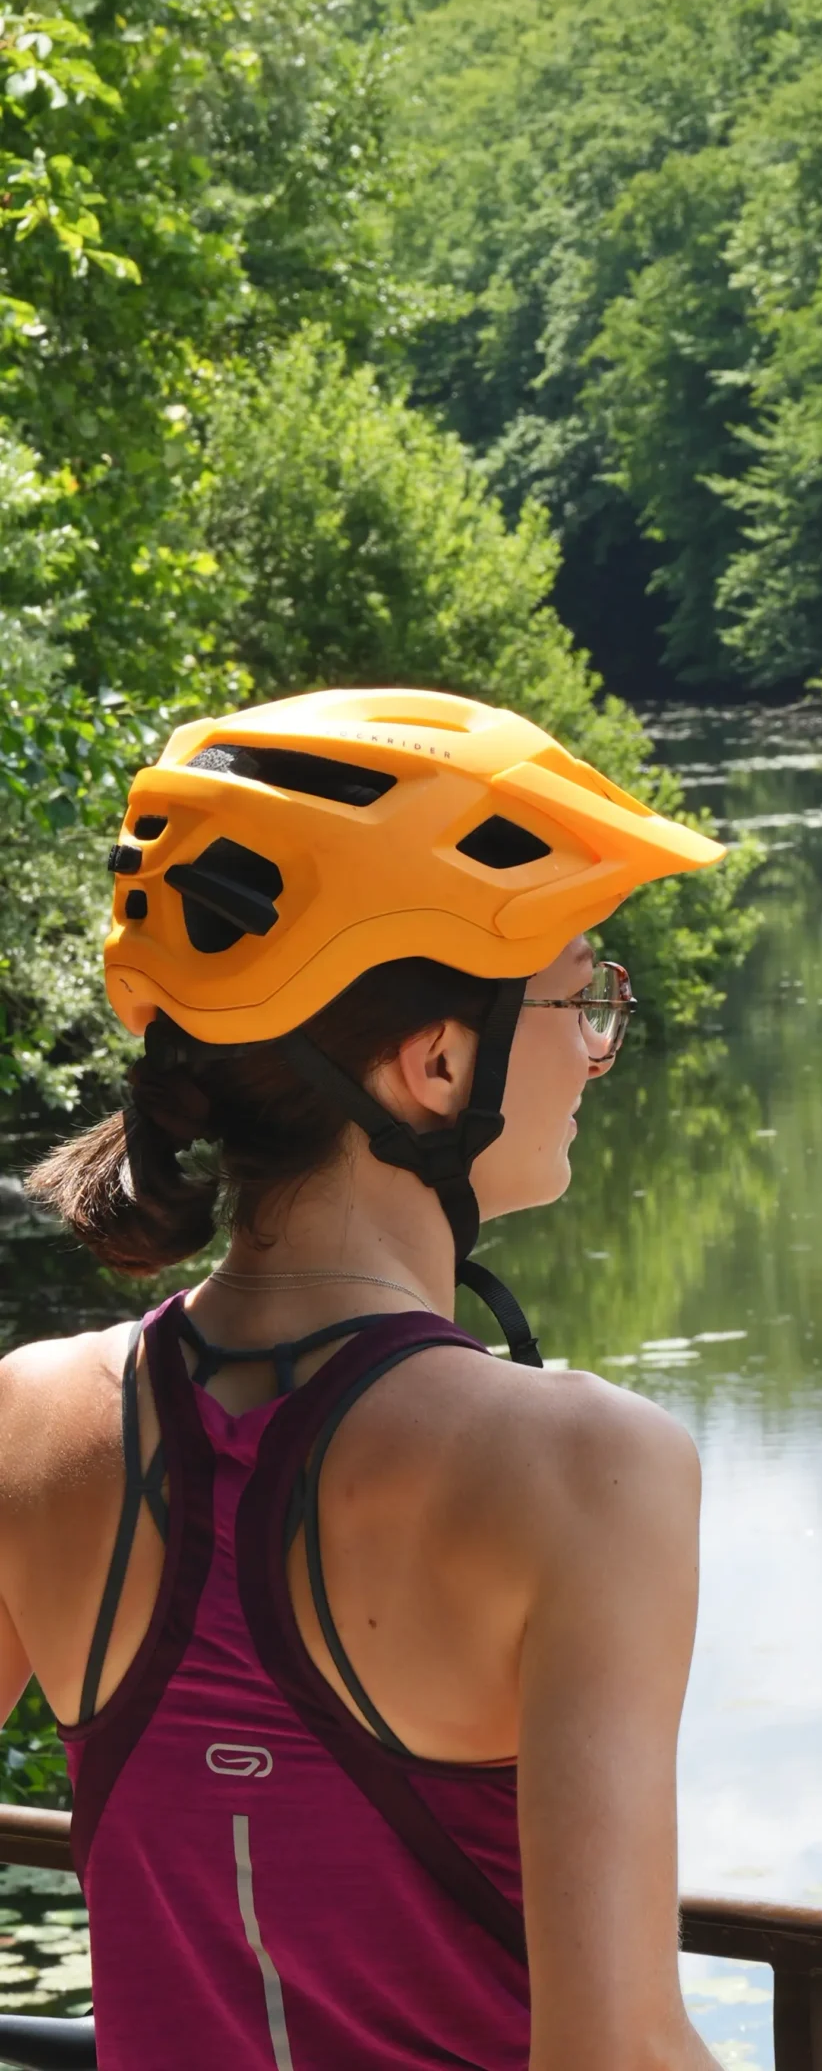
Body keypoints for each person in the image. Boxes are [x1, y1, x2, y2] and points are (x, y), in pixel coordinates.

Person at [0, 687, 730, 2071]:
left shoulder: (30, 1416)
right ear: (439, 1062)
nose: (596, 1046)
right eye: (587, 995)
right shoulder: (590, 1472)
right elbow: (617, 2051)